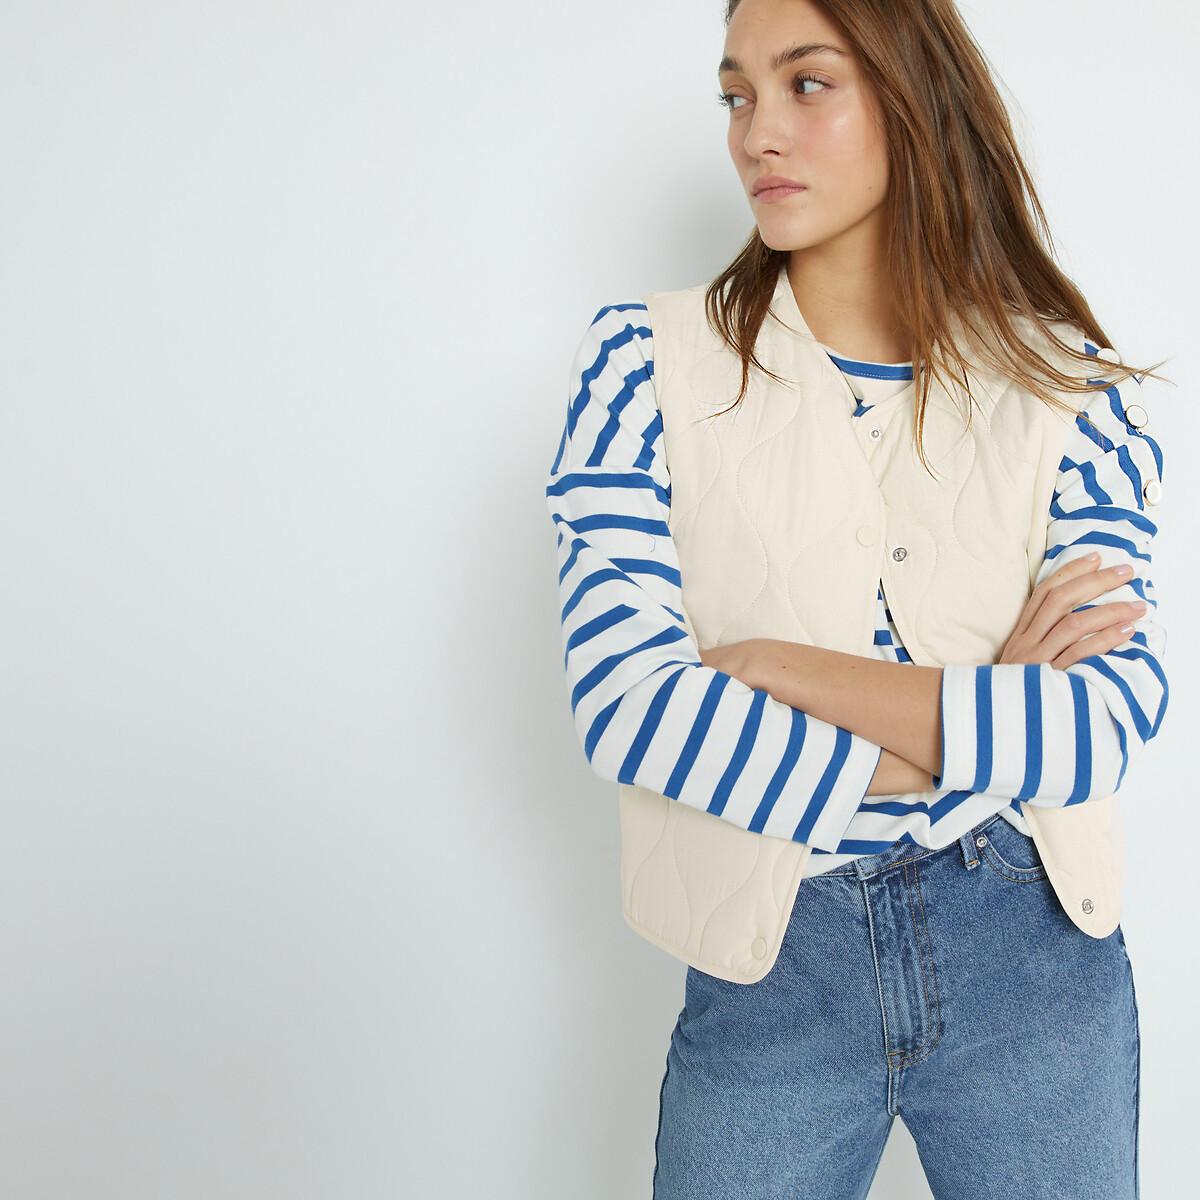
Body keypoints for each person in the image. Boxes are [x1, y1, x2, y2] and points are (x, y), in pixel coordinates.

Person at [544, 1, 1171, 1195]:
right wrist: (982, 716)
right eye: (737, 96)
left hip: (1035, 961)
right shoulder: (643, 365)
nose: (757, 134)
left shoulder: (1070, 386)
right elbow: (629, 708)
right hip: (768, 959)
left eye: (807, 84)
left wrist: (778, 667)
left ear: (911, 96)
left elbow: (1099, 726)